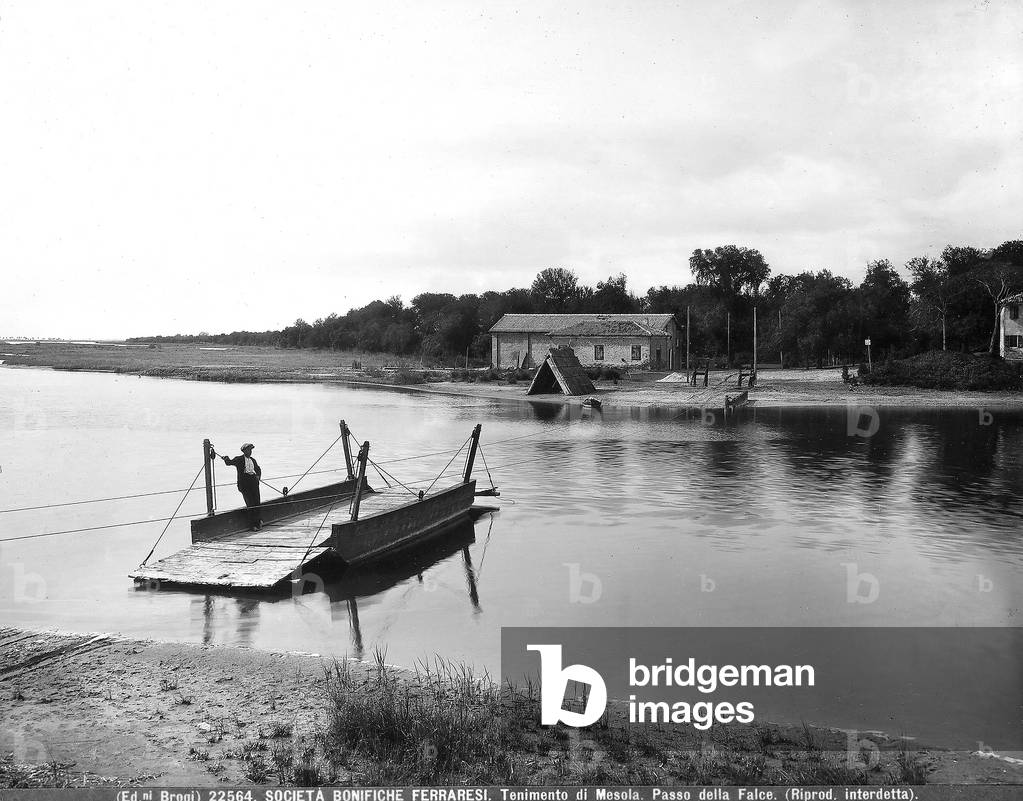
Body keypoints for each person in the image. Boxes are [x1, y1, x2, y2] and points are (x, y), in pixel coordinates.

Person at [222, 443, 263, 530]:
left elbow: (258, 469)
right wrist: (226, 458)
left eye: (251, 450)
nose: (250, 452)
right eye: (248, 450)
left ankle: (258, 522)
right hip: (244, 484)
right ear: (244, 451)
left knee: (257, 503)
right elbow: (229, 462)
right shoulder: (239, 459)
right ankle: (252, 525)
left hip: (254, 483)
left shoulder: (253, 460)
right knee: (250, 504)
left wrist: (258, 476)